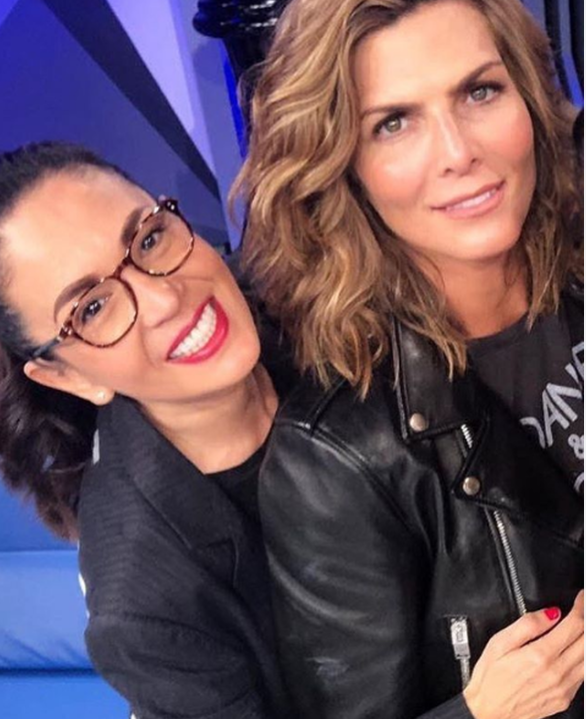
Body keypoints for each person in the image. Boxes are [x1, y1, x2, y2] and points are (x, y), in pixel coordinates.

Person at [233, 0, 584, 717]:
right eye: (393, 123)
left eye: (479, 91)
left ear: (528, 93)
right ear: (343, 165)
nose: (458, 152)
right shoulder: (333, 458)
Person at [0, 142, 292, 719]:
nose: (164, 298)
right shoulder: (143, 601)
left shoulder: (320, 302)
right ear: (67, 376)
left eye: (149, 239)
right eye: (92, 309)